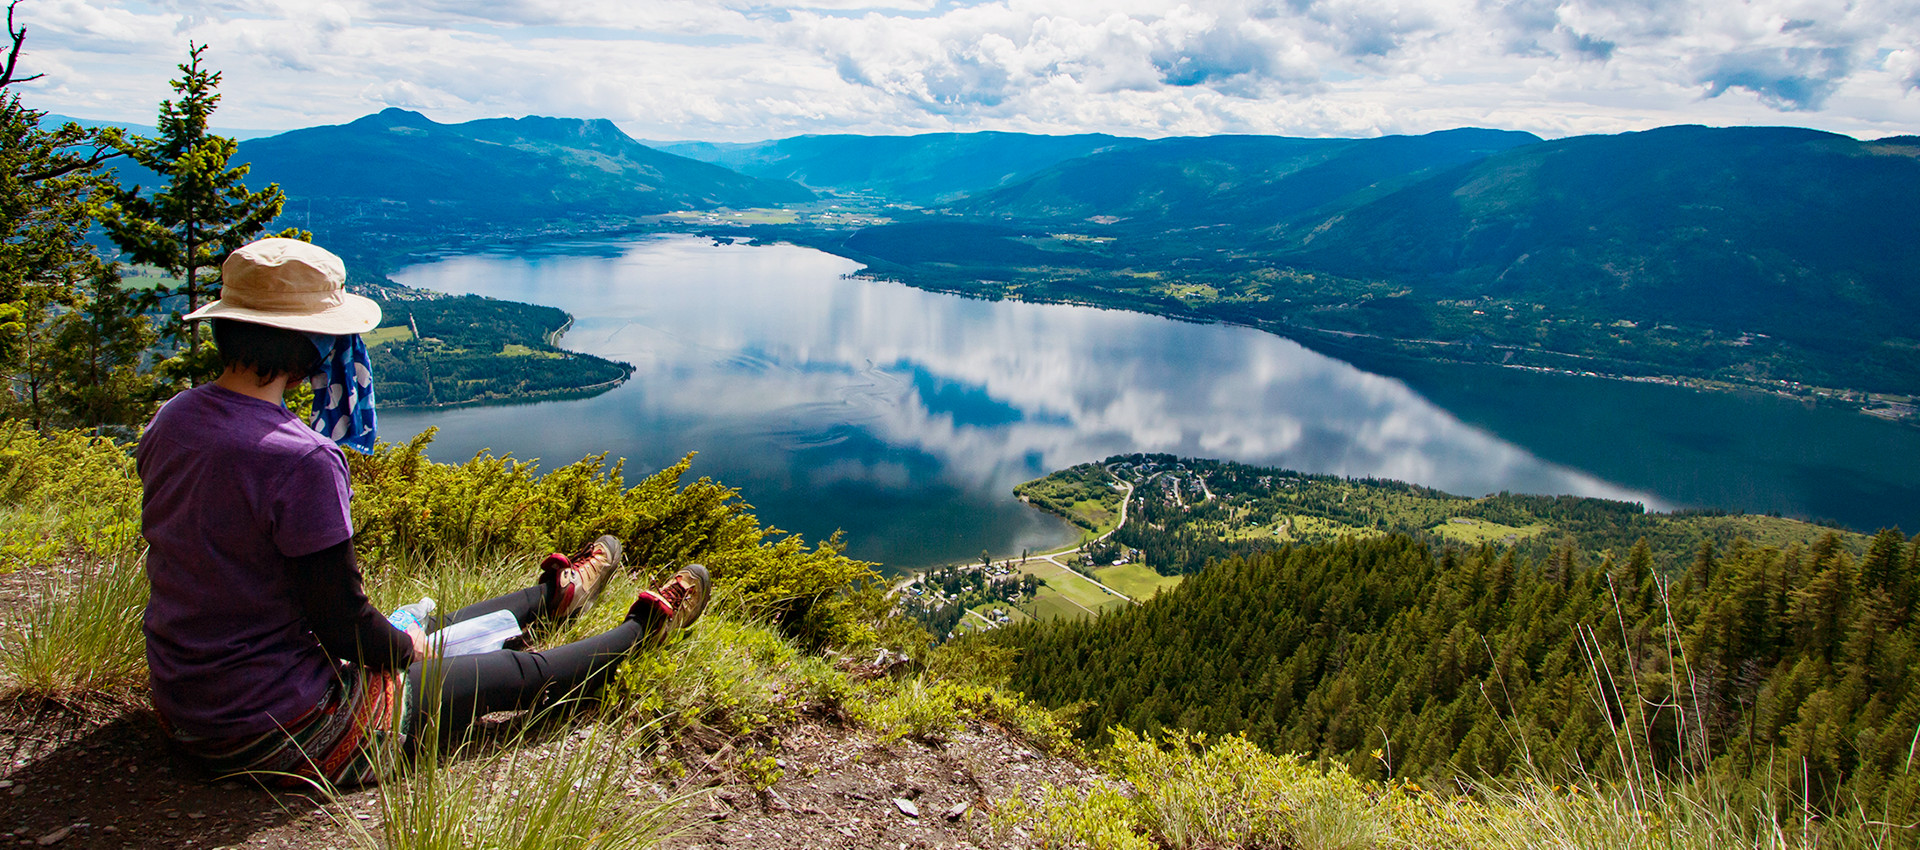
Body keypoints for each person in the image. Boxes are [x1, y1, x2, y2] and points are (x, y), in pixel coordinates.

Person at [137, 237, 709, 787]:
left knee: (428, 630)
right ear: (307, 343)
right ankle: (646, 629)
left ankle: (554, 595)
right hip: (280, 724)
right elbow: (347, 628)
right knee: (515, 676)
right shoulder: (303, 459)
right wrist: (403, 650)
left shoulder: (174, 418)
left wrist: (401, 640)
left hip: (186, 703)